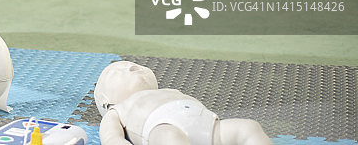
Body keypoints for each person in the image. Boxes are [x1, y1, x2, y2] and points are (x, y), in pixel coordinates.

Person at [94, 61, 272, 145]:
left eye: (132, 65)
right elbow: (111, 138)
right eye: (116, 71)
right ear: (105, 101)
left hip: (208, 128)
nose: (130, 67)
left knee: (248, 128)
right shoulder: (117, 110)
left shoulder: (167, 92)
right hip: (163, 127)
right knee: (171, 138)